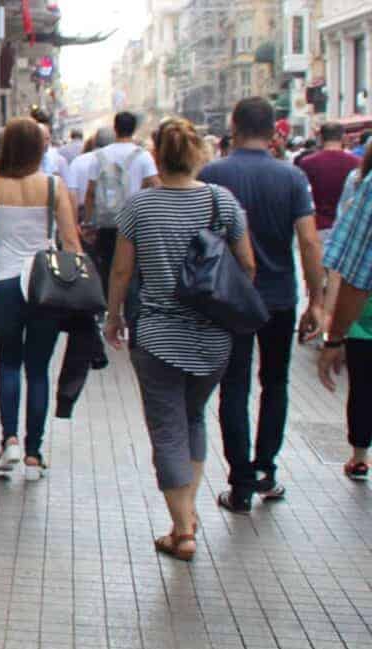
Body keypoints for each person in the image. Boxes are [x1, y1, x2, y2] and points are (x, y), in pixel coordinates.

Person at [103, 118, 256, 560]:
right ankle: (185, 515)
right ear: (197, 156)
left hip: (157, 335)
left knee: (167, 429)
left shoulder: (139, 207)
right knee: (193, 420)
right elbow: (247, 264)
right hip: (213, 337)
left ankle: (183, 529)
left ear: (157, 155)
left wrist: (113, 316)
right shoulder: (221, 202)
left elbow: (121, 271)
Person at [199, 97, 326, 513]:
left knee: (234, 386)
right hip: (279, 297)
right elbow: (308, 240)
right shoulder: (291, 177)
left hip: (229, 299)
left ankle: (240, 483)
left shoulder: (213, 174)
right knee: (275, 383)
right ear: (274, 132)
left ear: (233, 127)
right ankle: (267, 469)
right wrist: (317, 299)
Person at [0, 117, 82, 479]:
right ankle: (33, 452)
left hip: (6, 281)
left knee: (8, 363)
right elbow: (71, 243)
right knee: (38, 368)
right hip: (45, 284)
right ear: (39, 148)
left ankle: (8, 440)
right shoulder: (54, 187)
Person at [319, 149, 372, 479]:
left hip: (366, 321)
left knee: (363, 383)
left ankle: (359, 454)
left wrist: (334, 338)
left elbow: (355, 274)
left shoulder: (367, 187)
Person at [84, 111, 159, 281]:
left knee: (107, 268)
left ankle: (108, 305)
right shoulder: (143, 156)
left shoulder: (100, 156)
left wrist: (88, 222)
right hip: (135, 223)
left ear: (115, 128)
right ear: (134, 129)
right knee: (132, 272)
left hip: (106, 223)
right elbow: (156, 186)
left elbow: (90, 192)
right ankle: (129, 305)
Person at [300, 123, 361, 241]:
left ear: (321, 138)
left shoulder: (307, 163)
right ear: (343, 138)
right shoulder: (356, 163)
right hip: (346, 226)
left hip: (316, 226)